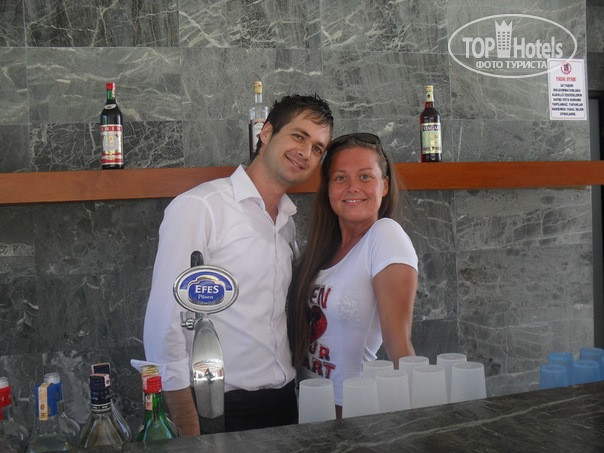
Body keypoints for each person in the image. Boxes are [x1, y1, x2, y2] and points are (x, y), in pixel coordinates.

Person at [143, 94, 334, 435]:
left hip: (283, 403)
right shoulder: (201, 207)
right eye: (299, 136)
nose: (306, 152)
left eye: (318, 148)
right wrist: (190, 427)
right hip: (218, 410)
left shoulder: (286, 222)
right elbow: (164, 326)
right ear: (266, 133)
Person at [288, 133, 418, 417]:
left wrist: (419, 424)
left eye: (365, 177)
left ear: (384, 186)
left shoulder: (385, 236)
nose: (353, 187)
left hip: (351, 413)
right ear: (328, 188)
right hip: (309, 407)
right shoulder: (323, 249)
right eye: (340, 178)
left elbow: (399, 344)